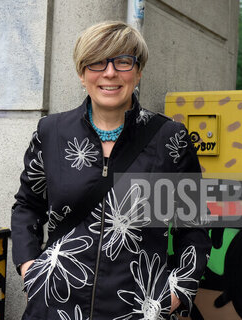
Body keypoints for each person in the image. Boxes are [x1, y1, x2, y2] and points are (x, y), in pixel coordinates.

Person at [11, 21, 211, 320]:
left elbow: (194, 224)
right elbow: (27, 205)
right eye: (96, 62)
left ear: (138, 70)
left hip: (139, 310)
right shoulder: (51, 132)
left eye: (123, 61)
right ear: (82, 73)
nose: (109, 73)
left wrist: (177, 294)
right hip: (55, 306)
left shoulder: (170, 138)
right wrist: (30, 269)